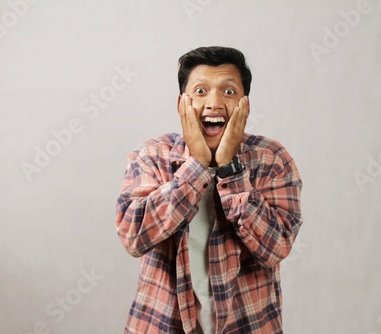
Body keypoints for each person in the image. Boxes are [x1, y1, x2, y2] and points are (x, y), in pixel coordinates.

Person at [115, 46, 303, 334]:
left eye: (228, 92)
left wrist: (230, 169)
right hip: (161, 324)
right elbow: (133, 237)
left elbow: (275, 247)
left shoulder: (272, 158)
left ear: (245, 103)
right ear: (182, 103)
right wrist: (198, 166)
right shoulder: (152, 156)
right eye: (201, 91)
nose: (214, 103)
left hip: (249, 325)